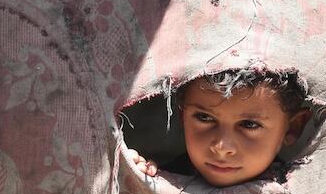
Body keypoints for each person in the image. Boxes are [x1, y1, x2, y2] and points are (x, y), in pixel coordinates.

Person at [128, 68, 311, 187]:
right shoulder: (166, 181)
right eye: (204, 117)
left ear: (291, 128)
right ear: (182, 116)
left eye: (249, 124)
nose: (222, 147)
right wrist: (140, 176)